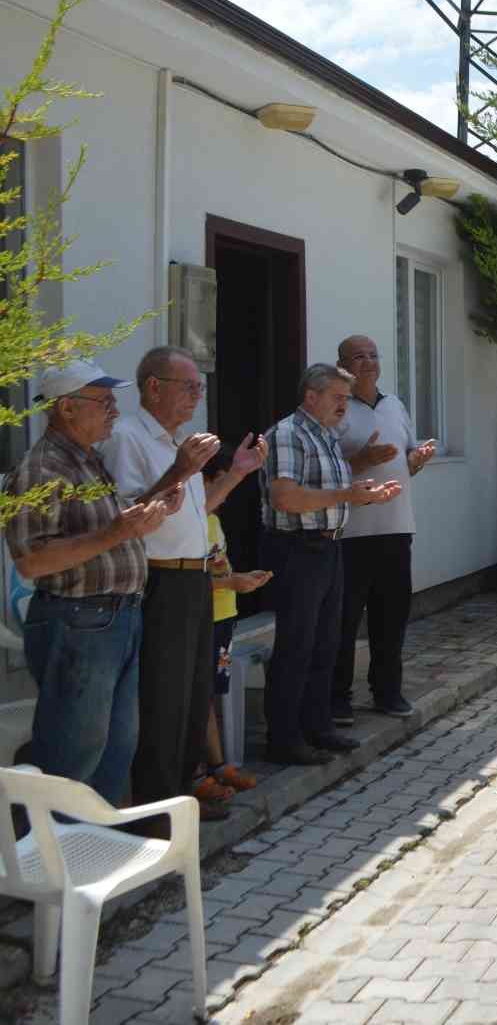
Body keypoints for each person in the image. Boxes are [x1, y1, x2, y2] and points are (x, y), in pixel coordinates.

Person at [3, 361, 178, 805]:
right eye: (103, 402)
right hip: (79, 620)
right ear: (66, 408)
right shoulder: (41, 468)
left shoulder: (86, 459)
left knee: (114, 750)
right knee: (73, 754)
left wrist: (146, 514)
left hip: (114, 618)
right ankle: (52, 859)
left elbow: (108, 529)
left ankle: (99, 850)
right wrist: (119, 532)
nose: (114, 410)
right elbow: (32, 561)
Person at [101, 346, 265, 820]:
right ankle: (155, 808)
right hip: (159, 581)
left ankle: (183, 792)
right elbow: (130, 515)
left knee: (194, 696)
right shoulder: (128, 438)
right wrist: (180, 471)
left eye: (200, 387)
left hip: (195, 580)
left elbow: (199, 508)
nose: (197, 395)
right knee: (162, 698)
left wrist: (235, 473)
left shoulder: (182, 443)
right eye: (188, 386)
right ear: (154, 387)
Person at [259, 364, 401, 765]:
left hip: (328, 548)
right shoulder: (288, 434)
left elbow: (332, 492)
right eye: (337, 398)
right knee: (297, 646)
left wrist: (365, 495)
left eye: (345, 398)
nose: (344, 406)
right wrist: (348, 496)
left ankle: (318, 727)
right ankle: (284, 738)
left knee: (327, 644)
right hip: (297, 550)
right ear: (311, 397)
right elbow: (285, 497)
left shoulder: (324, 435)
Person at [331, 335, 437, 727]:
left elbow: (406, 463)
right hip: (349, 533)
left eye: (374, 355)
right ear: (342, 364)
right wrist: (362, 460)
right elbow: (324, 469)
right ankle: (337, 698)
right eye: (359, 356)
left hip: (395, 528)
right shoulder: (337, 407)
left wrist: (418, 458)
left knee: (391, 618)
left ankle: (387, 692)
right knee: (343, 621)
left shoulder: (395, 405)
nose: (368, 362)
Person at [200, 445, 270, 801]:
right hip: (202, 619)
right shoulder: (193, 522)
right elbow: (189, 582)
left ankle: (219, 765)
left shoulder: (213, 520)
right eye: (222, 482)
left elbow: (219, 568)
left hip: (225, 617)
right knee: (198, 696)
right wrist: (232, 582)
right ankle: (201, 772)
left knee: (212, 693)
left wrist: (240, 579)